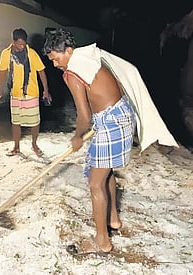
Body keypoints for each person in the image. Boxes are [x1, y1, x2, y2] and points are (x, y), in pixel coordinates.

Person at [43, 28, 178, 254]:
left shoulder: (72, 73)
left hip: (110, 122)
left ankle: (102, 241)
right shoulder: (92, 57)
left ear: (68, 51)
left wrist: (77, 136)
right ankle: (113, 219)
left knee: (96, 183)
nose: (56, 65)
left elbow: (84, 115)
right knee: (106, 173)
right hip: (123, 115)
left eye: (56, 59)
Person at [0, 28, 51, 157]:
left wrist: (46, 90)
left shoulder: (31, 53)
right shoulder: (6, 54)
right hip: (15, 93)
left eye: (24, 44)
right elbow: (2, 71)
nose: (22, 46)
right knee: (15, 122)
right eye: (19, 44)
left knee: (34, 122)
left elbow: (41, 71)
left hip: (31, 92)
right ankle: (16, 147)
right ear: (13, 41)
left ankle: (34, 144)